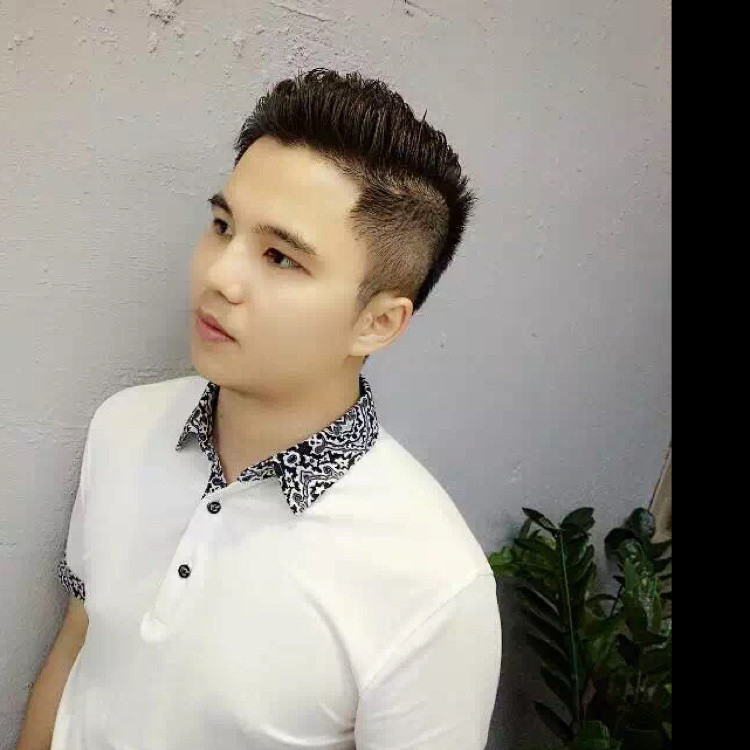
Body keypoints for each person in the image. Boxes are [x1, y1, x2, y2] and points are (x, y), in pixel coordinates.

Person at [16, 68, 502, 750]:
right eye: (222, 226)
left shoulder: (434, 586)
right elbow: (79, 644)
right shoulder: (122, 427)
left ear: (378, 323)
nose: (219, 274)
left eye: (280, 257)